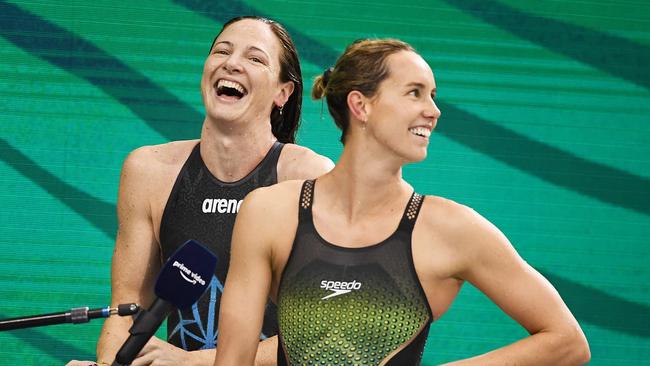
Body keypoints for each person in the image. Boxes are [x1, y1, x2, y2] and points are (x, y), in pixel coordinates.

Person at [213, 38, 591, 365]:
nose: (433, 110)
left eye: (432, 95)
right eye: (415, 92)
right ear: (361, 106)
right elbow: (232, 361)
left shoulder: (453, 229)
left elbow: (567, 341)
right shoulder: (268, 212)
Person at [67, 16, 333, 366]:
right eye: (222, 51)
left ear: (283, 92)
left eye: (255, 58)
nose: (232, 63)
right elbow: (126, 309)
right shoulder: (149, 171)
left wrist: (191, 363)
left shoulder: (308, 179)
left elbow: (325, 334)